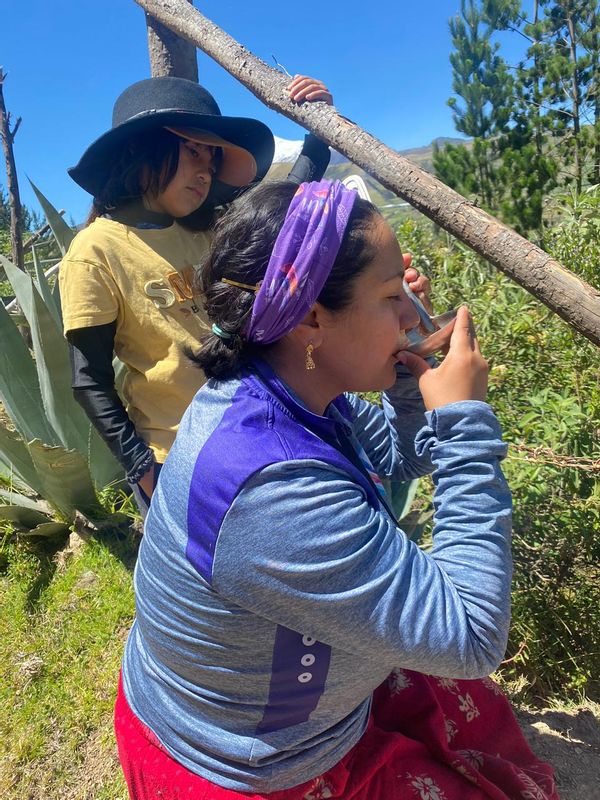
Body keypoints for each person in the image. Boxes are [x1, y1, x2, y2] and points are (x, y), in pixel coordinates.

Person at [115, 179, 558, 800]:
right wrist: (465, 426)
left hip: (297, 702)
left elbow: (402, 457)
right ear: (312, 318)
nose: (411, 310)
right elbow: (474, 635)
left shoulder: (291, 391)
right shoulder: (269, 488)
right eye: (389, 295)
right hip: (254, 759)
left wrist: (410, 372)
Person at [59, 74, 335, 514]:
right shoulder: (96, 251)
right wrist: (142, 470)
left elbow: (288, 208)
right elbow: (89, 378)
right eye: (193, 151)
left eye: (211, 157)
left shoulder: (211, 230)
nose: (206, 170)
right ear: (142, 151)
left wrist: (318, 133)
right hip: (178, 456)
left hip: (257, 432)